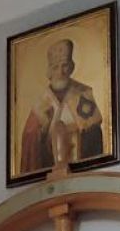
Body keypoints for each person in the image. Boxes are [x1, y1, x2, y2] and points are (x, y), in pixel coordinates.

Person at [19, 37, 105, 175]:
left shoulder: (83, 94)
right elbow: (29, 141)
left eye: (64, 65)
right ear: (49, 71)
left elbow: (95, 133)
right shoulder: (41, 103)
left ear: (71, 67)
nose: (60, 72)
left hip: (80, 169)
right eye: (55, 67)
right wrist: (41, 132)